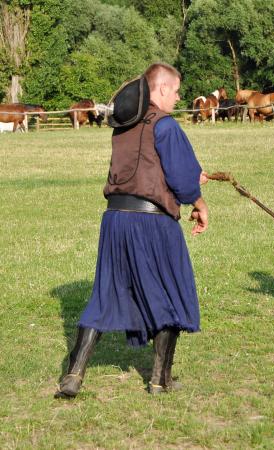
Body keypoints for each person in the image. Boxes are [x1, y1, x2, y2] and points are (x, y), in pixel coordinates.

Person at [55, 62, 209, 397]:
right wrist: (200, 205)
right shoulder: (166, 126)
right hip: (152, 222)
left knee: (105, 294)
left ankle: (74, 374)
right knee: (170, 291)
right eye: (177, 89)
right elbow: (182, 179)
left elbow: (148, 168)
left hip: (115, 220)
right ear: (162, 89)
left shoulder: (123, 127)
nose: (179, 96)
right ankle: (159, 380)